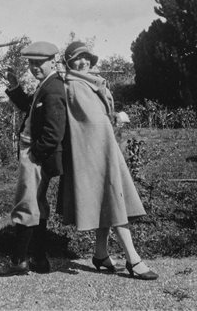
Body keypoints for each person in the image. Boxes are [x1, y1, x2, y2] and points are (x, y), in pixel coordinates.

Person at [58, 41, 158, 280]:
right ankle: (133, 258)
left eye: (86, 57)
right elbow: (89, 123)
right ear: (69, 63)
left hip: (103, 151)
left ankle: (100, 253)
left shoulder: (91, 82)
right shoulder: (74, 86)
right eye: (76, 59)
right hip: (91, 155)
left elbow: (101, 119)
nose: (83, 62)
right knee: (113, 200)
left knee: (108, 199)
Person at [0, 41, 67, 276]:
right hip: (36, 154)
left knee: (26, 204)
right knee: (38, 204)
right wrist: (14, 88)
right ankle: (39, 259)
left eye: (39, 63)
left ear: (52, 61)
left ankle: (18, 261)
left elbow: (54, 133)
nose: (35, 67)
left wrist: (35, 155)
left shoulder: (53, 88)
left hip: (36, 155)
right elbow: (30, 107)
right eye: (31, 63)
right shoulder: (46, 84)